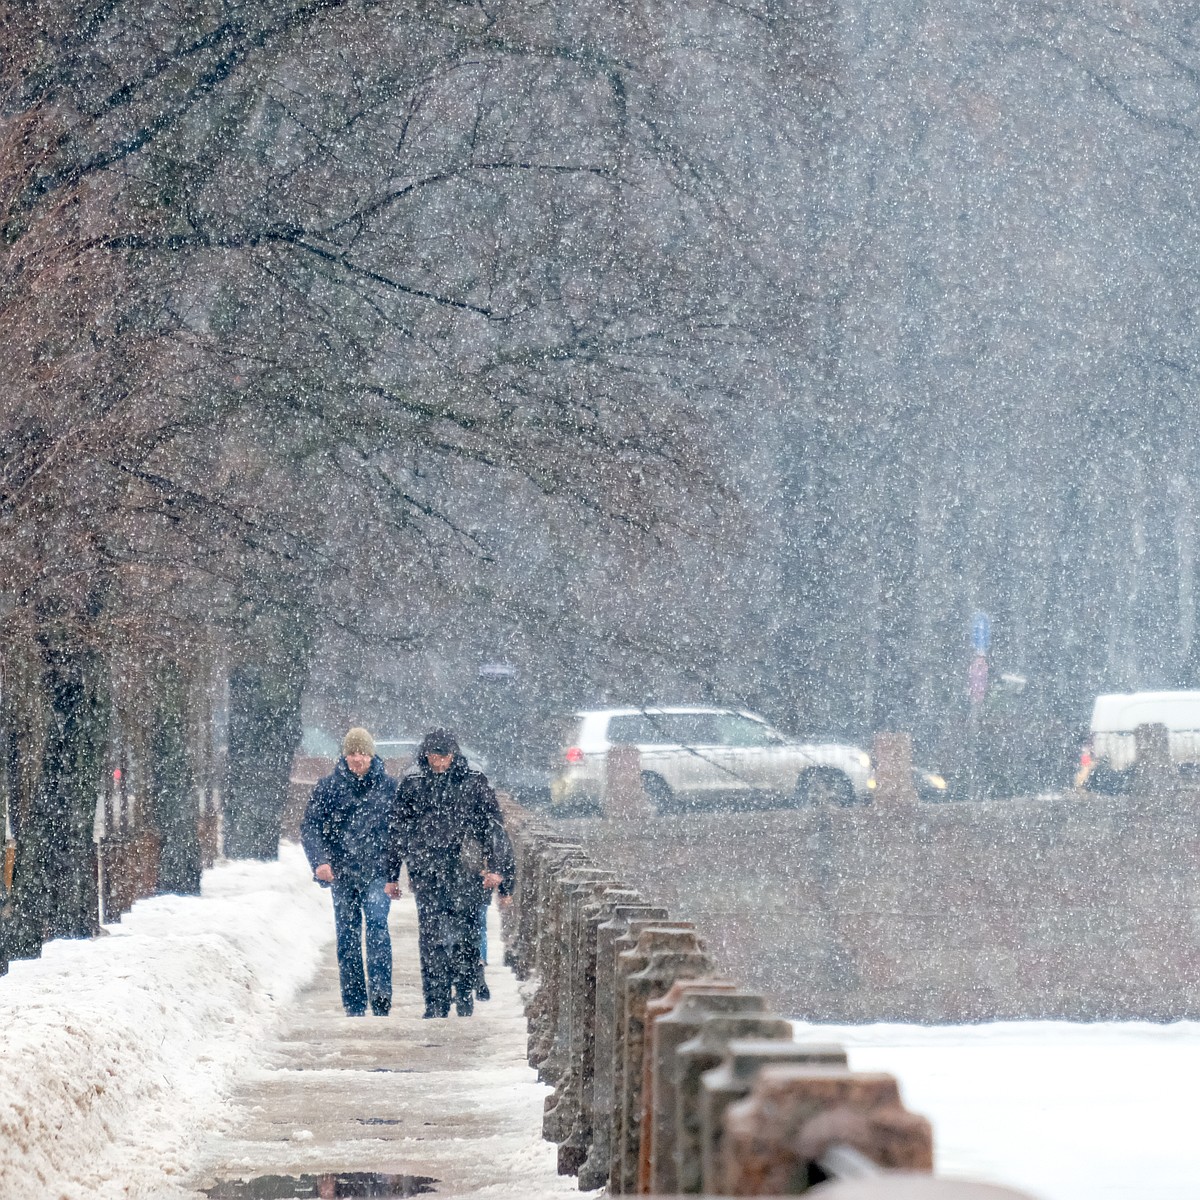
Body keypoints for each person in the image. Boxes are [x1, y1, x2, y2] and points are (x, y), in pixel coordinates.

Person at [385, 728, 515, 1018]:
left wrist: (498, 870)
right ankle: (435, 1001)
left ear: (453, 755)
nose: (438, 761)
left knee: (466, 937)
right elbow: (397, 832)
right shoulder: (413, 783)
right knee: (432, 940)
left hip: (465, 872)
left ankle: (465, 993)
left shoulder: (473, 783)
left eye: (443, 756)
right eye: (433, 756)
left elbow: (493, 828)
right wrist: (391, 874)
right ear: (426, 755)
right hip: (427, 872)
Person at [301, 727, 398, 1017]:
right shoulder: (328, 788)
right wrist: (320, 861)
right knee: (348, 936)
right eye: (353, 753)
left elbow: (400, 831)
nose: (358, 759)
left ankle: (381, 994)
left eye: (363, 753)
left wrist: (396, 870)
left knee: (378, 927)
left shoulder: (389, 788)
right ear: (344, 755)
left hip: (377, 873)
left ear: (372, 755)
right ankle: (354, 1001)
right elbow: (311, 827)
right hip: (342, 874)